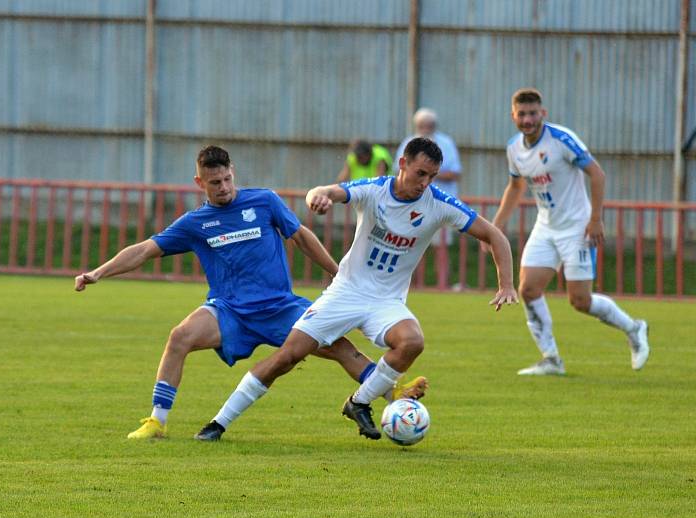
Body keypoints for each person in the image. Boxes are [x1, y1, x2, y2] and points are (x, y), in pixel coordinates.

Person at [74, 146, 426, 440]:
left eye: (227, 178)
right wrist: (98, 272)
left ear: (233, 172)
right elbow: (144, 250)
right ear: (200, 182)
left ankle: (392, 391)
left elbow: (301, 236)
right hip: (230, 312)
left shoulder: (263, 201)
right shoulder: (195, 223)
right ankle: (157, 421)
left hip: (281, 308)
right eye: (215, 182)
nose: (223, 187)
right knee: (179, 336)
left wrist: (337, 273)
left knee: (341, 348)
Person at [195, 137, 518, 442]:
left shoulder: (439, 204)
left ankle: (359, 402)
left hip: (386, 301)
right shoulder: (374, 190)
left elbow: (495, 236)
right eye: (420, 173)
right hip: (346, 292)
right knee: (287, 357)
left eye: (431, 176)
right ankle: (218, 423)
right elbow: (328, 191)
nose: (425, 183)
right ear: (402, 163)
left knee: (412, 341)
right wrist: (317, 196)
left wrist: (506, 284)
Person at [489, 87, 649, 376]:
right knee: (527, 288)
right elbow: (515, 187)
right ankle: (551, 359)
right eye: (522, 114)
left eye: (533, 113)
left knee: (580, 301)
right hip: (546, 225)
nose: (528, 119)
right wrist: (496, 226)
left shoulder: (561, 139)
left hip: (577, 226)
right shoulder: (514, 148)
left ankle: (634, 328)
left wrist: (596, 219)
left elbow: (597, 173)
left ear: (543, 113)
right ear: (513, 116)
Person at [395, 108, 463, 289]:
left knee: (440, 248)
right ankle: (409, 285)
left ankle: (443, 286)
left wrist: (426, 173)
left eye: (429, 126)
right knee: (406, 246)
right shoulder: (408, 143)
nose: (425, 129)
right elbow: (398, 171)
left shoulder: (446, 143)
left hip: (439, 205)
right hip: (411, 204)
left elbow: (455, 173)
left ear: (434, 126)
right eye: (421, 126)